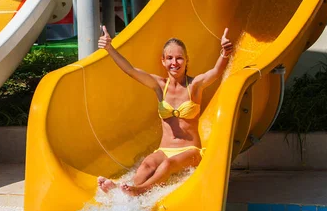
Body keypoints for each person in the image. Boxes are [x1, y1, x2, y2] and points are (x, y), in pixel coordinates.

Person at [97, 26, 233, 196]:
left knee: (168, 165)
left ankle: (140, 190)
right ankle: (124, 190)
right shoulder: (159, 86)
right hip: (164, 150)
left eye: (179, 58)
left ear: (186, 61)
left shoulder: (194, 85)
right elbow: (130, 71)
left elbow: (215, 72)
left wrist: (225, 53)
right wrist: (109, 48)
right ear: (163, 61)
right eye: (169, 58)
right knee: (147, 164)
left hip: (190, 151)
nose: (174, 63)